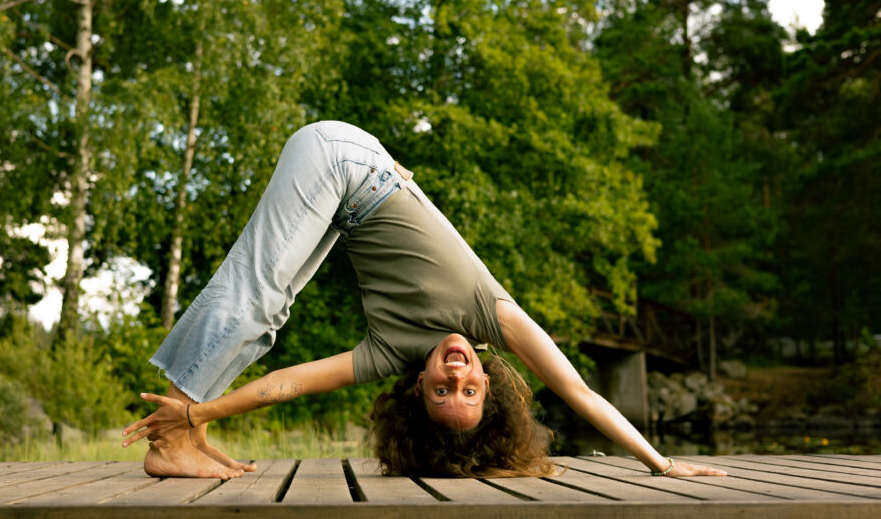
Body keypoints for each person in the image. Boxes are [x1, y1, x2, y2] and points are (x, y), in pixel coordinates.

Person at [122, 121, 726, 480]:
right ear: (492, 382)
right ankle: (173, 437)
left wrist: (208, 414)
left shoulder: (391, 353)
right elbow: (580, 392)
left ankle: (187, 432)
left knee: (271, 313)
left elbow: (290, 383)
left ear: (419, 388)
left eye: (444, 390)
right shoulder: (497, 317)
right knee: (259, 289)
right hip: (344, 163)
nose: (456, 373)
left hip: (348, 186)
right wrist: (662, 464)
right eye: (468, 388)